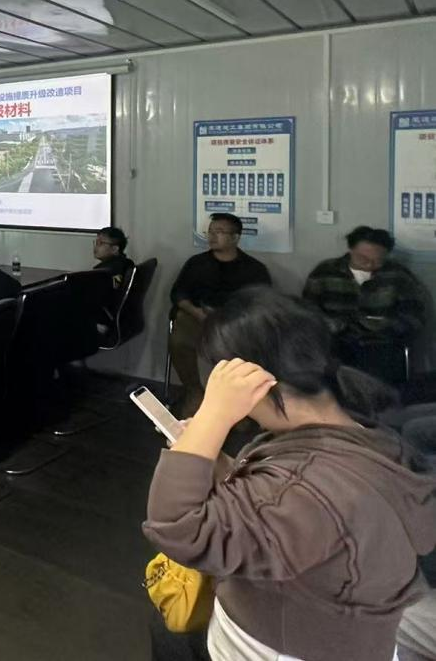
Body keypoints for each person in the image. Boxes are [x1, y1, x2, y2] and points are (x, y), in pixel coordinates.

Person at [143, 287, 436, 661]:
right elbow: (282, 513)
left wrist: (212, 415)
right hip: (341, 632)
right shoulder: (362, 436)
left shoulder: (307, 484)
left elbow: (176, 527)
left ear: (251, 383)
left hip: (276, 648)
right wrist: (214, 460)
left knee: (167, 631)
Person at [168, 213, 271, 415]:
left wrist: (231, 317)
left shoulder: (254, 269)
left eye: (220, 232)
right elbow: (178, 293)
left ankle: (237, 402)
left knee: (251, 341)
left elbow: (262, 302)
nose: (213, 236)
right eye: (210, 231)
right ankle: (193, 391)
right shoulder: (196, 263)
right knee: (179, 338)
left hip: (235, 323)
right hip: (198, 317)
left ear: (235, 237)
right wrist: (196, 312)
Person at [302, 226, 426, 385]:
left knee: (378, 371)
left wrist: (386, 327)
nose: (369, 265)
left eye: (377, 261)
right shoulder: (325, 272)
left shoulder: (398, 275)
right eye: (362, 258)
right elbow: (307, 311)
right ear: (351, 250)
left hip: (381, 343)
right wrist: (332, 325)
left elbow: (415, 315)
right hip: (335, 342)